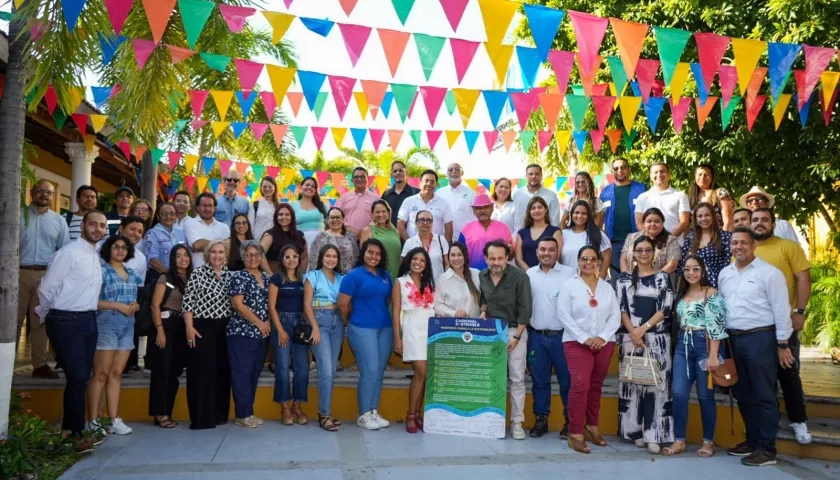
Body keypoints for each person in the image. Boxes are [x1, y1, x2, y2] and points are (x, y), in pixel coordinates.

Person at [718, 227, 793, 467]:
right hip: (732, 339)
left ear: (754, 246)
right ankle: (752, 441)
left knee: (764, 394)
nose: (738, 246)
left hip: (760, 338)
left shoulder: (770, 273)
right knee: (742, 393)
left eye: (743, 243)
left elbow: (782, 310)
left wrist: (783, 344)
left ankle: (767, 448)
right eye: (734, 243)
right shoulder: (725, 274)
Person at [37, 210, 107, 451]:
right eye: (93, 224)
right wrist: (52, 317)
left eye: (102, 225)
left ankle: (71, 429)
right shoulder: (68, 253)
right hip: (66, 320)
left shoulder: (94, 255)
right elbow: (47, 289)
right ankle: (73, 433)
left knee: (80, 377)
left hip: (88, 320)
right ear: (83, 226)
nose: (98, 229)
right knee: (77, 376)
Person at [752, 208, 813, 445]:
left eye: (764, 220)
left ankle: (799, 421)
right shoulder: (744, 250)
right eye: (755, 220)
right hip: (755, 327)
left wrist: (799, 311)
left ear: (773, 224)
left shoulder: (788, 247)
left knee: (788, 374)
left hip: (783, 323)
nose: (759, 224)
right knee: (762, 377)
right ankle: (771, 420)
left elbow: (804, 279)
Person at [557, 246, 621, 454]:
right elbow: (564, 315)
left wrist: (601, 337)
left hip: (604, 342)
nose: (588, 262)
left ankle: (592, 427)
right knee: (580, 384)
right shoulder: (569, 286)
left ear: (599, 263)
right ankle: (575, 432)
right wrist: (585, 338)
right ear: (578, 261)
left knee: (595, 386)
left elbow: (615, 315)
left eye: (593, 259)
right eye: (584, 259)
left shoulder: (606, 288)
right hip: (576, 342)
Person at [615, 235, 675, 453]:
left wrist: (643, 329)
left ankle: (655, 434)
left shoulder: (662, 278)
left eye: (647, 250)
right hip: (631, 339)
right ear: (633, 253)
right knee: (633, 385)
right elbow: (621, 309)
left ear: (654, 253)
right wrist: (633, 332)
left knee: (656, 387)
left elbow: (665, 309)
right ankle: (636, 432)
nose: (643, 254)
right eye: (639, 250)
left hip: (656, 339)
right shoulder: (623, 279)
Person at [664, 255, 727, 458]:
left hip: (704, 345)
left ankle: (708, 442)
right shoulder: (680, 295)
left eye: (696, 269)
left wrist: (713, 355)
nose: (691, 273)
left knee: (705, 396)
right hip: (683, 344)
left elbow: (716, 326)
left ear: (703, 271)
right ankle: (679, 440)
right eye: (687, 269)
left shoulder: (712, 293)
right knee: (679, 393)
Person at [87, 235, 143, 436]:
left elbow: (135, 298)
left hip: (128, 324)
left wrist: (134, 306)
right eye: (116, 247)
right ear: (108, 249)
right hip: (107, 322)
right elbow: (92, 301)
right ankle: (93, 420)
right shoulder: (102, 272)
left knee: (116, 373)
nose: (120, 250)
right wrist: (117, 306)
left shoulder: (131, 272)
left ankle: (113, 419)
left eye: (124, 247)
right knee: (100, 373)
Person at [338, 239, 394, 430]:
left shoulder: (386, 275)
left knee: (378, 372)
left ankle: (373, 412)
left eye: (378, 254)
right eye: (370, 252)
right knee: (369, 371)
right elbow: (343, 304)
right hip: (362, 328)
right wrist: (350, 323)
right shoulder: (353, 276)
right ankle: (363, 415)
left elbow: (386, 299)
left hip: (384, 328)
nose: (374, 256)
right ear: (363, 254)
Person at [479, 240, 532, 440]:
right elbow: (483, 298)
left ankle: (517, 422)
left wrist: (517, 337)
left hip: (514, 331)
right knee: (491, 378)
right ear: (486, 258)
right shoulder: (482, 275)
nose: (496, 262)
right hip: (491, 332)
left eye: (500, 258)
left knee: (517, 378)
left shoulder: (520, 277)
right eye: (492, 258)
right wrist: (483, 310)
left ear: (507, 258)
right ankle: (491, 420)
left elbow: (526, 309)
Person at [526, 237, 576, 439]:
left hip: (562, 338)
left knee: (567, 382)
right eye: (543, 249)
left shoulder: (570, 274)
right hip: (536, 337)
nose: (546, 253)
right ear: (537, 252)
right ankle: (541, 420)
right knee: (539, 382)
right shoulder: (528, 275)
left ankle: (569, 421)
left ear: (558, 252)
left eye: (551, 250)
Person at [19, 179, 69, 379]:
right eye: (40, 191)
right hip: (18, 273)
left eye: (48, 192)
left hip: (46, 276)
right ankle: (3, 361)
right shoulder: (18, 215)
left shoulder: (59, 221)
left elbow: (63, 252)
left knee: (40, 321)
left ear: (52, 196)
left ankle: (39, 365)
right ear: (32, 192)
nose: (44, 195)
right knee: (11, 321)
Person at [182, 240, 232, 430]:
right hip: (201, 327)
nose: (217, 256)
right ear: (208, 255)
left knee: (221, 372)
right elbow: (188, 303)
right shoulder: (198, 274)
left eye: (221, 252)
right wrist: (189, 327)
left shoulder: (230, 276)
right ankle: (203, 417)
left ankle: (219, 415)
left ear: (225, 256)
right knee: (202, 373)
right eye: (214, 252)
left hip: (224, 328)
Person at [227, 240, 271, 428]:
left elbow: (272, 303)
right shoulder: (239, 277)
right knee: (242, 373)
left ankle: (248, 411)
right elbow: (237, 304)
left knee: (254, 372)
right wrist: (259, 323)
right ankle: (243, 414)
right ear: (243, 257)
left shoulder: (268, 278)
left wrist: (268, 322)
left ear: (261, 257)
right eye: (249, 255)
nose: (253, 258)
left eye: (256, 254)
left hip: (262, 334)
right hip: (241, 332)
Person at [392, 247, 436, 434]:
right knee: (421, 371)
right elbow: (395, 311)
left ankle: (417, 413)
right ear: (409, 261)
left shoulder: (430, 284)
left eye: (422, 260)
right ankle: (411, 414)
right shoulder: (400, 282)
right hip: (411, 330)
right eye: (415, 259)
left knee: (424, 375)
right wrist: (397, 338)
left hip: (430, 331)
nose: (418, 263)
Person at [148, 244, 192, 429]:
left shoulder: (191, 278)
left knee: (174, 373)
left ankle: (168, 411)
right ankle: (160, 413)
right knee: (162, 372)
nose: (183, 259)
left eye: (185, 255)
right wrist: (159, 330)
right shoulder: (165, 278)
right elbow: (154, 305)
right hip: (165, 326)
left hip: (182, 328)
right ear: (173, 259)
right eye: (178, 255)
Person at [303, 245, 346, 432]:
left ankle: (326, 412)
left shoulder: (342, 278)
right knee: (326, 371)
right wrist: (314, 327)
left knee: (332, 371)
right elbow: (306, 304)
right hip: (319, 320)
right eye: (327, 256)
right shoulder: (312, 276)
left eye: (334, 256)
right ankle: (324, 414)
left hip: (338, 322)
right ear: (321, 257)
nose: (330, 259)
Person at [268, 244, 310, 426]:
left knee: (303, 368)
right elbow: (271, 306)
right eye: (287, 257)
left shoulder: (303, 279)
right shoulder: (277, 279)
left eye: (294, 256)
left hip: (299, 325)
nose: (291, 259)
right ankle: (284, 407)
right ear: (282, 260)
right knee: (283, 368)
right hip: (282, 323)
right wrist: (280, 330)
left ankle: (297, 404)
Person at [600, 158, 646, 276]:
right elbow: (600, 217)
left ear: (629, 169)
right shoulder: (605, 192)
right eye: (616, 168)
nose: (620, 170)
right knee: (617, 279)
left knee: (639, 276)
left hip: (637, 241)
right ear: (612, 171)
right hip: (613, 243)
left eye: (623, 167)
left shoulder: (642, 189)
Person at [679, 203, 731, 288]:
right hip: (693, 285)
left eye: (707, 215)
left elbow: (728, 263)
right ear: (695, 219)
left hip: (718, 284)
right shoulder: (691, 237)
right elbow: (682, 263)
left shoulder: (725, 236)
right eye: (700, 216)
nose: (704, 218)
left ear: (713, 216)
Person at [634, 163, 691, 241]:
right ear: (650, 176)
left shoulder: (680, 195)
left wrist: (668, 240)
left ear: (668, 175)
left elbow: (684, 222)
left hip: (674, 244)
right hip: (650, 247)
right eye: (656, 172)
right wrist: (651, 240)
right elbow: (639, 223)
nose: (659, 174)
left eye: (662, 171)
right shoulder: (642, 197)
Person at [458, 194, 513, 270]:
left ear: (492, 208)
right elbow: (459, 256)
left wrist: (511, 251)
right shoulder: (466, 229)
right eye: (479, 208)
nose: (483, 211)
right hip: (474, 274)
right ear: (474, 211)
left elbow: (510, 257)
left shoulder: (503, 228)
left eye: (486, 207)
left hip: (499, 274)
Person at [398, 169, 453, 242]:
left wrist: (445, 247)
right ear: (420, 183)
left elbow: (449, 228)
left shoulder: (443, 204)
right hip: (413, 249)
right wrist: (408, 243)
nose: (429, 184)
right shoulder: (409, 201)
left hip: (436, 248)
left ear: (436, 184)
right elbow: (400, 224)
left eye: (432, 182)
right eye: (426, 181)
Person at [621, 208, 680, 274]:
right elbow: (623, 259)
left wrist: (652, 280)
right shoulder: (632, 237)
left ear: (663, 223)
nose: (653, 224)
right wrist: (626, 278)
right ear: (643, 223)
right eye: (649, 221)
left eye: (657, 221)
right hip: (632, 281)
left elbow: (672, 265)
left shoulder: (671, 240)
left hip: (659, 281)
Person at [561, 200, 611, 278]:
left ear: (588, 216)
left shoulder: (597, 233)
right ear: (571, 214)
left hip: (593, 282)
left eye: (584, 213)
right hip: (568, 282)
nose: (580, 216)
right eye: (576, 212)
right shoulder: (563, 234)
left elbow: (606, 258)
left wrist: (599, 281)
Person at [434, 242, 481, 318]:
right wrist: (453, 313)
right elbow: (437, 306)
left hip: (475, 325)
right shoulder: (442, 280)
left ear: (465, 256)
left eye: (459, 254)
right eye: (452, 255)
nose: (456, 258)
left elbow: (484, 299)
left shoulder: (476, 274)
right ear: (448, 258)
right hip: (453, 327)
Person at [184, 193, 231, 268]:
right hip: (197, 274)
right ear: (197, 207)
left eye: (210, 206)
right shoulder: (190, 223)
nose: (207, 209)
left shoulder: (224, 227)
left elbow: (227, 251)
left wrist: (204, 246)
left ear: (215, 208)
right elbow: (196, 245)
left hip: (219, 274)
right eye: (204, 205)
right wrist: (221, 245)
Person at [515, 196, 563, 269]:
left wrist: (540, 273)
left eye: (540, 207)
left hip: (548, 273)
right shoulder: (521, 233)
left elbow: (557, 256)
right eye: (533, 208)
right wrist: (531, 273)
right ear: (529, 212)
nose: (536, 211)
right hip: (526, 275)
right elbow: (518, 259)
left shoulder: (555, 231)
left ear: (546, 209)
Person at [308, 207, 359, 274]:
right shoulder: (320, 237)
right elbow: (313, 259)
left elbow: (356, 258)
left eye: (338, 217)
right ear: (328, 220)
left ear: (343, 219)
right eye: (332, 217)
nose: (335, 220)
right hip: (326, 278)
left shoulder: (350, 238)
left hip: (347, 277)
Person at [402, 210, 449, 280]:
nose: (425, 222)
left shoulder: (441, 240)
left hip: (439, 285)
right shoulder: (409, 242)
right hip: (417, 286)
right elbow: (404, 265)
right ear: (416, 223)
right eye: (422, 220)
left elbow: (447, 264)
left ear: (432, 223)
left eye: (429, 220)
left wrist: (446, 280)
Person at [145, 202, 187, 282]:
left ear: (175, 216)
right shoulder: (152, 233)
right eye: (164, 214)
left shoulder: (181, 233)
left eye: (171, 213)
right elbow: (152, 260)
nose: (168, 216)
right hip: (160, 277)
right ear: (158, 216)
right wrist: (171, 276)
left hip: (181, 278)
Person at [261, 203, 307, 273]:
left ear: (292, 217)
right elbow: (260, 255)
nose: (284, 217)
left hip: (295, 278)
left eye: (287, 214)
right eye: (280, 214)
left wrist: (301, 275)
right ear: (276, 217)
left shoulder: (300, 235)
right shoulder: (269, 235)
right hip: (276, 278)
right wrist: (270, 274)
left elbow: (304, 257)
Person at [360, 200, 401, 279]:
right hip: (375, 276)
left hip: (395, 275)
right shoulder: (368, 231)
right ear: (372, 214)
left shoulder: (396, 232)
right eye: (377, 212)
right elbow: (363, 257)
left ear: (388, 213)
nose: (380, 214)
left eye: (383, 211)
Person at [513, 163, 561, 230]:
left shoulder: (551, 195)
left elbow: (554, 221)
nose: (533, 176)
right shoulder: (517, 194)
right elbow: (516, 218)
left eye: (537, 174)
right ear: (526, 176)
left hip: (545, 237)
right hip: (522, 236)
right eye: (531, 174)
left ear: (541, 176)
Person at [436, 162, 476, 242]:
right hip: (443, 238)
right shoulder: (439, 193)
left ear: (462, 173)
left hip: (465, 238)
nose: (454, 172)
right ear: (447, 174)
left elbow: (475, 216)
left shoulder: (471, 193)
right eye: (450, 170)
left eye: (457, 169)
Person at [337, 167, 380, 238]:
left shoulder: (376, 199)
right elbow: (337, 215)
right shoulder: (344, 198)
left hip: (369, 238)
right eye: (356, 177)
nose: (359, 179)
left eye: (362, 177)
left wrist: (366, 231)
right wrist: (347, 227)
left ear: (368, 179)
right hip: (346, 237)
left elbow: (379, 217)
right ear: (352, 180)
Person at [688, 164, 734, 231]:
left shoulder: (720, 192)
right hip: (697, 238)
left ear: (712, 178)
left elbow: (728, 221)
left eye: (706, 175)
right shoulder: (690, 198)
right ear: (695, 177)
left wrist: (724, 238)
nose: (702, 177)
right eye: (700, 174)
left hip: (718, 237)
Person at [381, 160, 419, 227]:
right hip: (391, 235)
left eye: (401, 170)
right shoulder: (386, 195)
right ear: (392, 174)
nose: (398, 173)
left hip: (410, 235)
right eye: (395, 171)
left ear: (406, 172)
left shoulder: (416, 193)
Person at [293, 176, 328, 246]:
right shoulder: (292, 205)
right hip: (300, 242)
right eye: (307, 185)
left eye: (313, 186)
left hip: (321, 242)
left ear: (315, 190)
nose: (310, 187)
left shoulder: (322, 205)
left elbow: (329, 223)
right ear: (301, 187)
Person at [248, 176, 278, 241]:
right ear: (261, 188)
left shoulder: (278, 206)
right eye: (264, 186)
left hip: (275, 242)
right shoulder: (255, 205)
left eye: (270, 186)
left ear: (274, 188)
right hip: (258, 242)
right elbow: (250, 225)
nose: (267, 189)